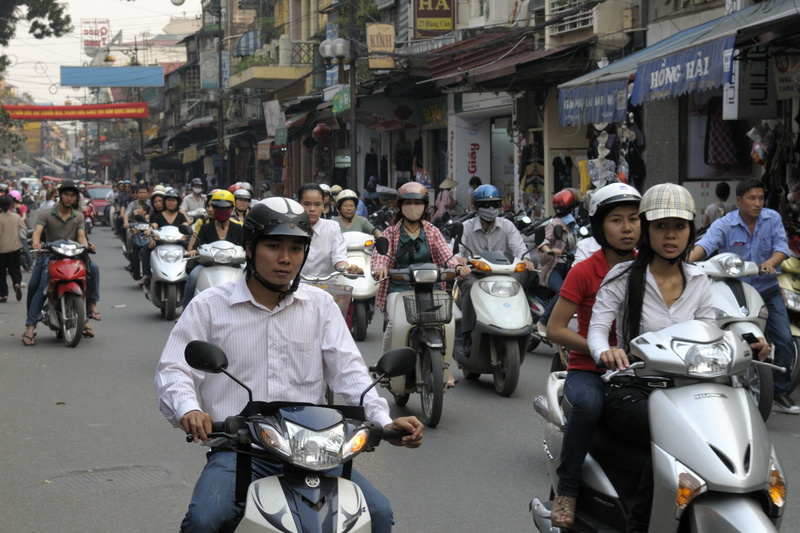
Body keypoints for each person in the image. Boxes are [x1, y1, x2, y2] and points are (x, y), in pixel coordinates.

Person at [154, 197, 423, 532]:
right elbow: (175, 369)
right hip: (240, 453)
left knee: (378, 514)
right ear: (250, 248)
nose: (285, 258)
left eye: (296, 248)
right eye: (273, 245)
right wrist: (188, 409)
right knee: (203, 521)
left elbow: (349, 372)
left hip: (316, 452)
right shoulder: (210, 306)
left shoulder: (320, 305)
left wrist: (384, 422)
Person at [587, 183, 768, 532]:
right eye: (661, 226)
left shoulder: (700, 280)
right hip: (634, 387)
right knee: (670, 443)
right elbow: (596, 329)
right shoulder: (623, 277)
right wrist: (605, 351)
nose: (671, 235)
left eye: (680, 226)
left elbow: (709, 331)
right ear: (647, 229)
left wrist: (748, 341)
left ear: (690, 231)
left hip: (689, 390)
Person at [545, 183, 642, 528]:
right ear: (600, 226)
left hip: (642, 371)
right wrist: (603, 351)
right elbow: (555, 329)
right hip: (589, 370)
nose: (627, 228)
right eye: (617, 220)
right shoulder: (585, 270)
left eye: (634, 219)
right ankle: (568, 489)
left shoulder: (651, 268)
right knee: (589, 407)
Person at [689, 177, 799, 414]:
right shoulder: (724, 224)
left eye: (761, 198)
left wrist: (769, 263)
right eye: (752, 198)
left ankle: (780, 393)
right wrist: (683, 262)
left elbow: (781, 248)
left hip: (767, 289)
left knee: (784, 339)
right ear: (739, 200)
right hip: (732, 290)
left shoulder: (773, 219)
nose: (757, 203)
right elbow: (706, 245)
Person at [371, 182, 470, 388]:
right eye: (408, 202)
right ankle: (387, 366)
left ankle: (445, 367)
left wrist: (457, 267)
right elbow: (380, 257)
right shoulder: (390, 233)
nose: (413, 206)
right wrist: (380, 268)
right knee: (394, 324)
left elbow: (447, 255)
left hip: (430, 287)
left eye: (418, 203)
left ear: (425, 206)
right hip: (399, 289)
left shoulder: (432, 231)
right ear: (400, 206)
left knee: (445, 323)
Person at [456, 184, 535, 353]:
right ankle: (467, 334)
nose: (490, 209)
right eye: (485, 205)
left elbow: (519, 248)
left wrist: (526, 259)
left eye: (494, 205)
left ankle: (521, 324)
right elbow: (455, 251)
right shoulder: (466, 227)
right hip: (474, 275)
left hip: (502, 276)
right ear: (476, 208)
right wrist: (459, 261)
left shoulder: (507, 226)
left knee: (520, 282)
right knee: (469, 286)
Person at [22, 180, 102, 346]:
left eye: (72, 195)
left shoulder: (78, 216)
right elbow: (37, 232)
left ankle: (89, 309)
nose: (69, 198)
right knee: (37, 287)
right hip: (49, 255)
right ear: (60, 195)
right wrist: (36, 243)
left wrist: (85, 245)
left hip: (73, 255)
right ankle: (30, 326)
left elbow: (80, 236)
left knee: (93, 268)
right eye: (66, 194)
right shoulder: (46, 214)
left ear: (75, 198)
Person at [184, 190, 243, 308]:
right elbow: (197, 246)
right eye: (218, 208)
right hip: (208, 265)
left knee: (250, 277)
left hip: (234, 265)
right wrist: (193, 251)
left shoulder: (238, 227)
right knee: (193, 277)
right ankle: (186, 310)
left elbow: (244, 246)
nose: (221, 211)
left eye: (225, 208)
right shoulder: (205, 227)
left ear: (232, 208)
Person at [536, 188, 581, 335]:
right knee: (564, 292)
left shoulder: (574, 225)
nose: (577, 210)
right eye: (575, 207)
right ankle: (543, 321)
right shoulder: (556, 223)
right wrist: (550, 250)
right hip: (554, 268)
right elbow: (543, 242)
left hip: (569, 267)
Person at [298, 183, 361, 276]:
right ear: (299, 204)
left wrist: (346, 269)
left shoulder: (332, 227)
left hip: (327, 286)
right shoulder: (292, 228)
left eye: (317, 204)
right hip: (298, 285)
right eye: (307, 204)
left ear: (323, 206)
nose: (312, 209)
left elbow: (339, 256)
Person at [140, 188, 190, 286]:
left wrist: (186, 233)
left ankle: (188, 273)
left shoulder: (180, 216)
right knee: (146, 248)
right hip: (162, 242)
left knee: (190, 249)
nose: (170, 203)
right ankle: (147, 274)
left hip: (178, 242)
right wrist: (150, 233)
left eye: (173, 200)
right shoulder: (158, 215)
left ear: (178, 202)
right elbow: (154, 225)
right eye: (168, 200)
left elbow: (185, 226)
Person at [0, 195, 25, 302]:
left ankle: (3, 294)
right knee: (15, 270)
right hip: (15, 248)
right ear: (11, 205)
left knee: (1, 273)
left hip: (1, 250)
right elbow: (24, 230)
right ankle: (16, 283)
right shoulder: (16, 217)